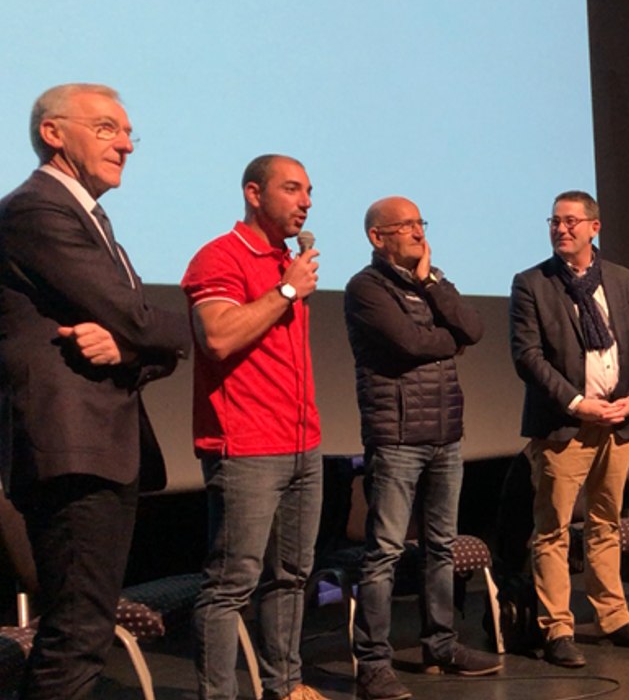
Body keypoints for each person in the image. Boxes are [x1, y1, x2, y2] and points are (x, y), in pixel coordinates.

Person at [0, 83, 189, 699]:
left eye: (129, 132)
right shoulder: (37, 210)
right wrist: (178, 327)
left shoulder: (92, 219)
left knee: (83, 633)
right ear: (53, 133)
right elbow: (140, 316)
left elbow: (137, 333)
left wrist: (131, 346)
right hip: (71, 451)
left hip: (103, 450)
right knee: (76, 638)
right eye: (108, 128)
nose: (127, 144)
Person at [181, 154, 324, 700]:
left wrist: (289, 283)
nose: (306, 201)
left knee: (290, 578)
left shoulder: (289, 259)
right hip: (244, 447)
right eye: (292, 189)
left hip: (301, 444)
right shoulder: (220, 256)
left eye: (308, 191)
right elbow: (216, 337)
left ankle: (286, 688)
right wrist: (285, 292)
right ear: (254, 193)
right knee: (229, 587)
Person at [343, 196, 498, 699]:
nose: (416, 232)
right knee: (385, 551)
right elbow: (410, 343)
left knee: (441, 548)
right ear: (377, 237)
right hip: (398, 438)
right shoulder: (365, 289)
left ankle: (442, 644)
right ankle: (373, 664)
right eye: (405, 225)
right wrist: (447, 339)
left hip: (446, 435)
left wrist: (432, 284)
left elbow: (472, 327)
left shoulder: (432, 284)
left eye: (419, 223)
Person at [509, 190, 629, 668]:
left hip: (617, 423)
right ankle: (557, 629)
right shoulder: (532, 283)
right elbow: (528, 357)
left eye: (571, 221)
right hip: (563, 426)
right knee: (552, 529)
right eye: (555, 222)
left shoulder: (620, 279)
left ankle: (613, 617)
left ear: (595, 227)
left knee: (606, 524)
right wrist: (578, 404)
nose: (561, 229)